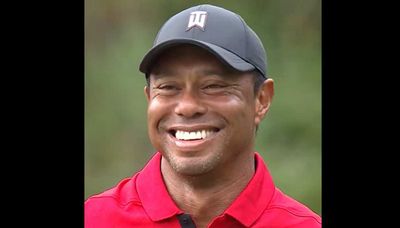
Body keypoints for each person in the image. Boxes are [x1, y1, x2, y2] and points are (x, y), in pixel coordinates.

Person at [85, 4, 321, 228]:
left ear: (261, 99)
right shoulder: (95, 219)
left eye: (214, 86)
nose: (187, 107)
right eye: (168, 87)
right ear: (149, 99)